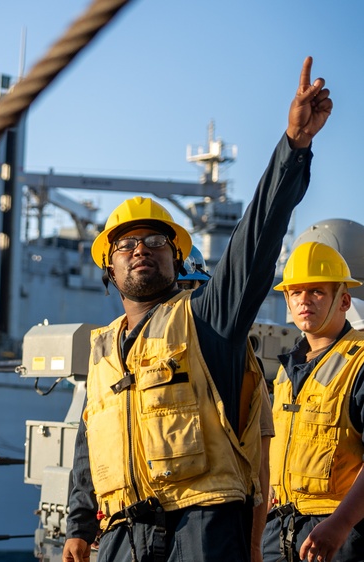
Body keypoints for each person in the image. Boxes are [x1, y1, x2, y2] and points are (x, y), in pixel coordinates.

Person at [62, 56, 332, 562]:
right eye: (126, 245)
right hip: (122, 536)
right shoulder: (102, 352)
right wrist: (79, 526)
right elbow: (88, 447)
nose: (141, 248)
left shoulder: (207, 319)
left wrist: (293, 148)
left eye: (156, 240)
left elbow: (256, 241)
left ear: (177, 254)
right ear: (109, 269)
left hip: (203, 529)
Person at [261, 242, 364, 562]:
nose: (304, 300)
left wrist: (340, 524)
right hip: (279, 531)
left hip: (341, 535)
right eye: (296, 292)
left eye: (317, 291)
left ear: (344, 300)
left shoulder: (359, 362)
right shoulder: (285, 372)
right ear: (288, 302)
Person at [177, 247, 276, 562]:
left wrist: (255, 545)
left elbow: (259, 464)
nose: (180, 303)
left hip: (211, 530)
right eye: (176, 290)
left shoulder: (239, 362)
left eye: (188, 290)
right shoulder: (127, 354)